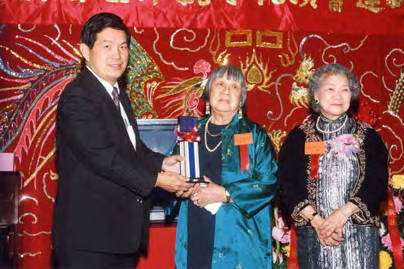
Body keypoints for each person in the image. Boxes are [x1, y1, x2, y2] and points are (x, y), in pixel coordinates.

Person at [52, 12, 192, 268]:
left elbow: (132, 149)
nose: (117, 55)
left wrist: (163, 163)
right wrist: (158, 180)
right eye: (107, 46)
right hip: (89, 239)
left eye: (123, 46)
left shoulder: (118, 95)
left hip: (119, 235)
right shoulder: (79, 96)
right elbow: (102, 157)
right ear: (85, 50)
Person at [275, 63, 388, 268]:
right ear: (316, 95)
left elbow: (377, 182)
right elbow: (287, 185)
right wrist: (319, 222)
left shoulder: (368, 136)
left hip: (359, 236)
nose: (338, 95)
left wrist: (341, 215)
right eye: (330, 89)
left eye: (345, 89)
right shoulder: (298, 137)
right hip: (314, 236)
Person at [169, 65, 278, 268]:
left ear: (241, 99)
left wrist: (226, 193)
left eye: (234, 86)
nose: (226, 90)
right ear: (209, 93)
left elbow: (269, 182)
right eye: (220, 84)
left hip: (239, 235)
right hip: (197, 228)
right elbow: (169, 176)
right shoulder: (190, 131)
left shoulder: (255, 134)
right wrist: (179, 187)